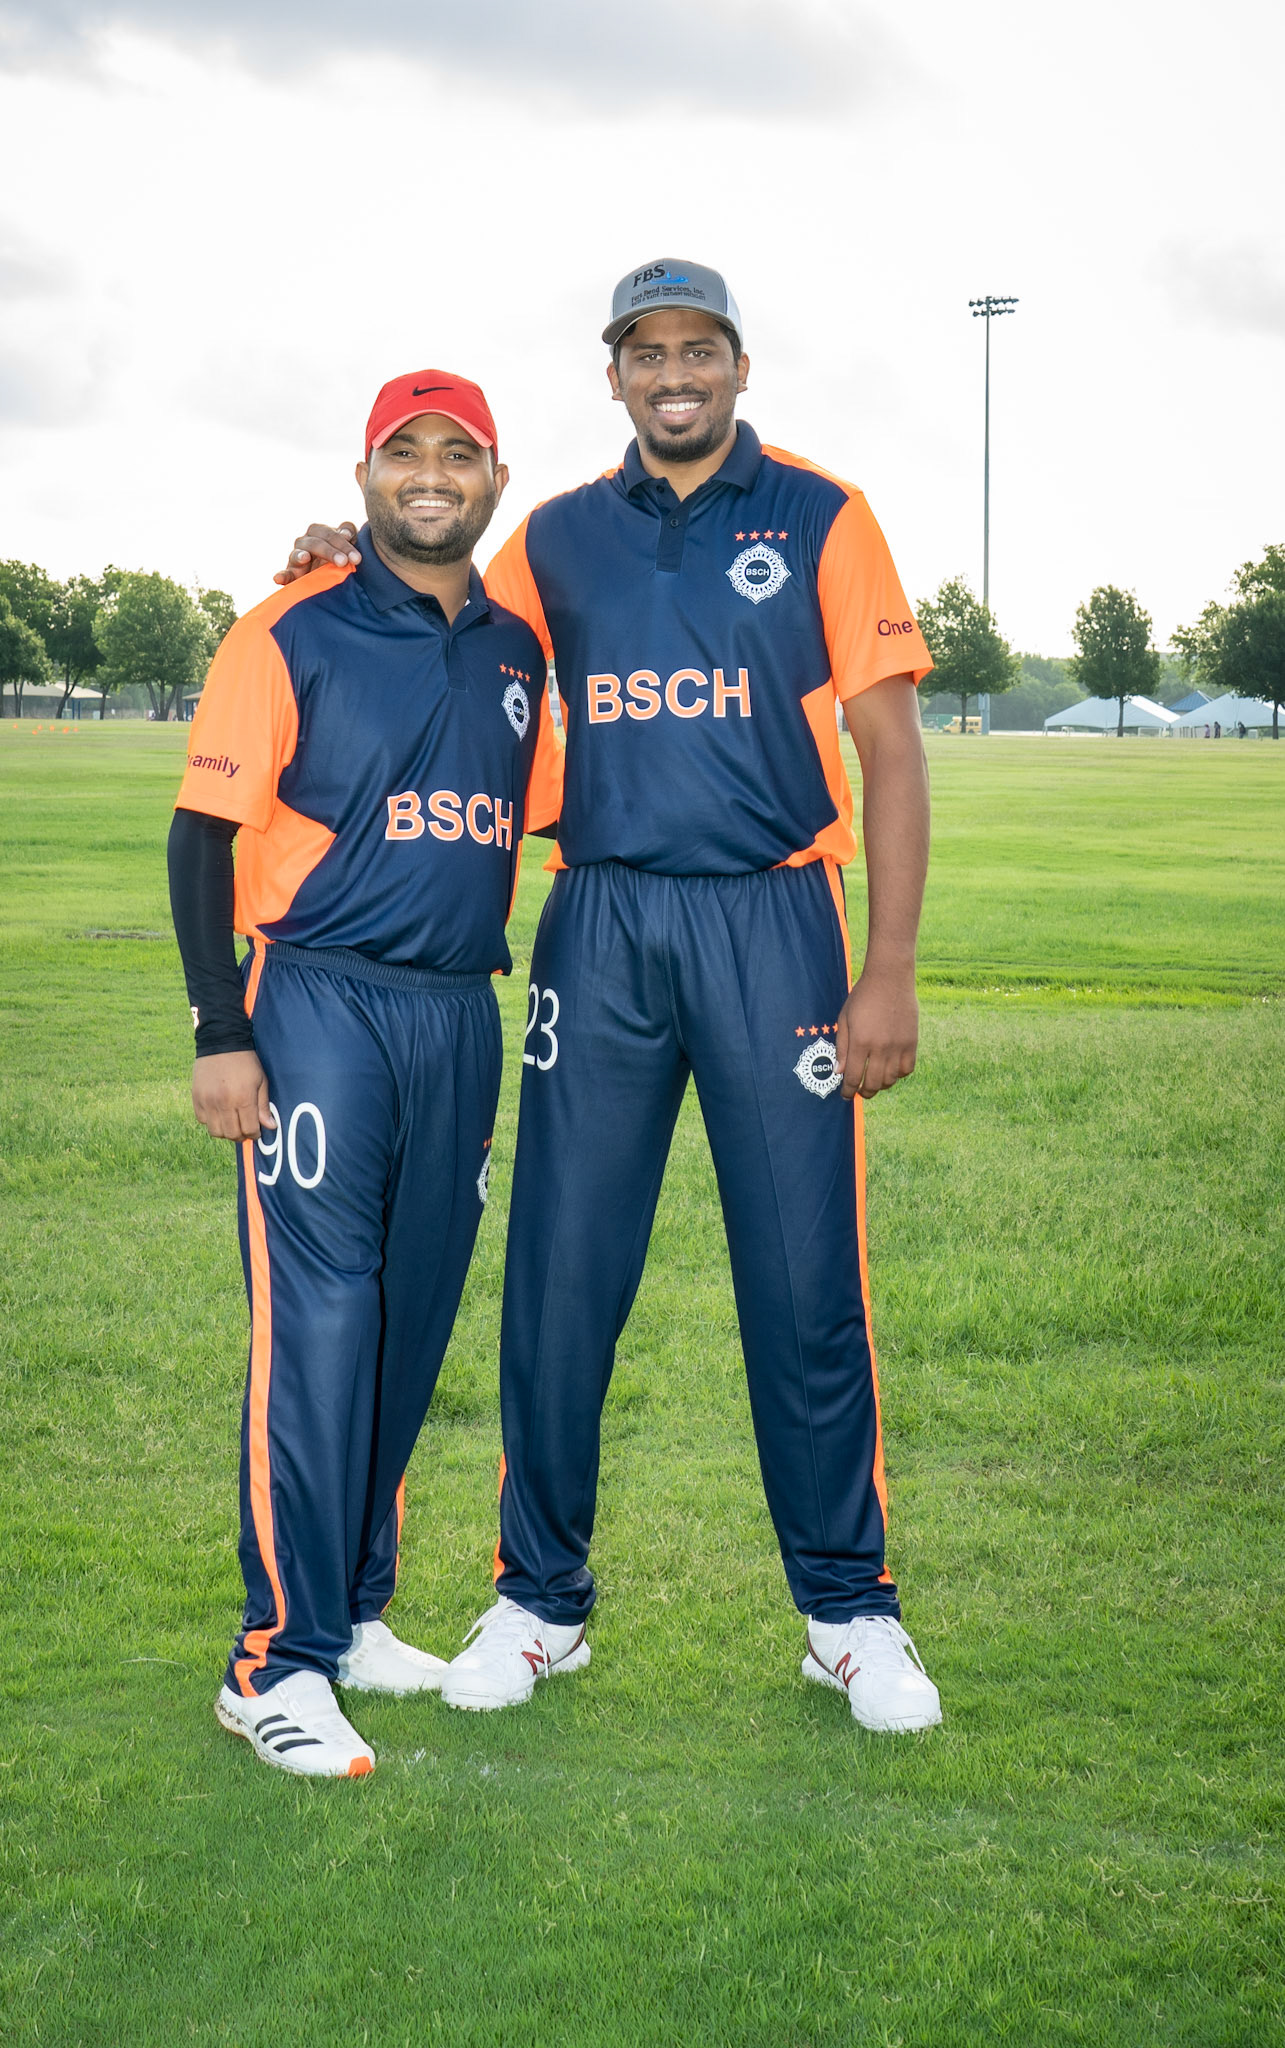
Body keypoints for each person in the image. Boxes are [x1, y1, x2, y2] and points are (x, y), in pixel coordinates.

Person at [279, 260, 942, 1735]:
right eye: (647, 353)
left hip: (776, 919)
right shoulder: (559, 536)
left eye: (698, 350)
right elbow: (433, 609)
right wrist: (339, 557)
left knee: (804, 1281)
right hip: (602, 922)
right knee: (561, 1276)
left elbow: (891, 749)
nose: (673, 374)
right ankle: (540, 1600)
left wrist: (887, 970)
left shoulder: (825, 515)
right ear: (615, 377)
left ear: (739, 367)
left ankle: (847, 1611)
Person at [170, 371, 559, 1776]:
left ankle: (354, 1614)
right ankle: (273, 1662)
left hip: (457, 1011)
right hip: (318, 1000)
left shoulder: (518, 652)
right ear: (364, 475)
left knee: (406, 1319)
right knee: (323, 1324)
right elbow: (202, 834)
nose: (432, 475)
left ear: (495, 481)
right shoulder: (289, 626)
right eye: (407, 452)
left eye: (460, 453)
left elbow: (549, 811)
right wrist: (221, 1029)